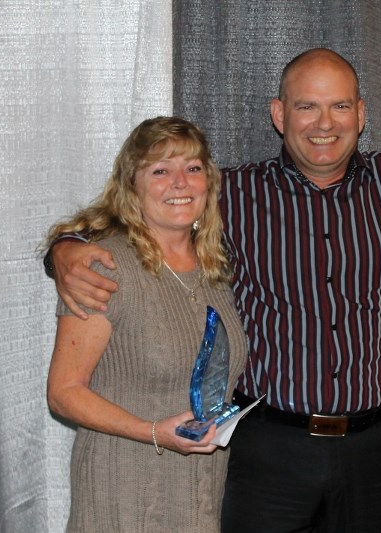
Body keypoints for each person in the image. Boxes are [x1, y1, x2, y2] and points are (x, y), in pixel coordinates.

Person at [47, 49, 381, 532]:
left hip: (378, 452)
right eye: (307, 106)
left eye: (339, 106)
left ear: (361, 114)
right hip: (268, 451)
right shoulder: (232, 194)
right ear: (279, 115)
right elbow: (145, 209)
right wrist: (66, 248)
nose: (324, 123)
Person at [45, 117, 247, 532]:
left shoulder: (216, 269)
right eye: (160, 170)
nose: (179, 182)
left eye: (192, 168)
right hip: (122, 492)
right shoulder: (103, 266)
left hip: (200, 491)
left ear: (208, 182)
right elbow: (63, 394)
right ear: (132, 187)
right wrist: (152, 431)